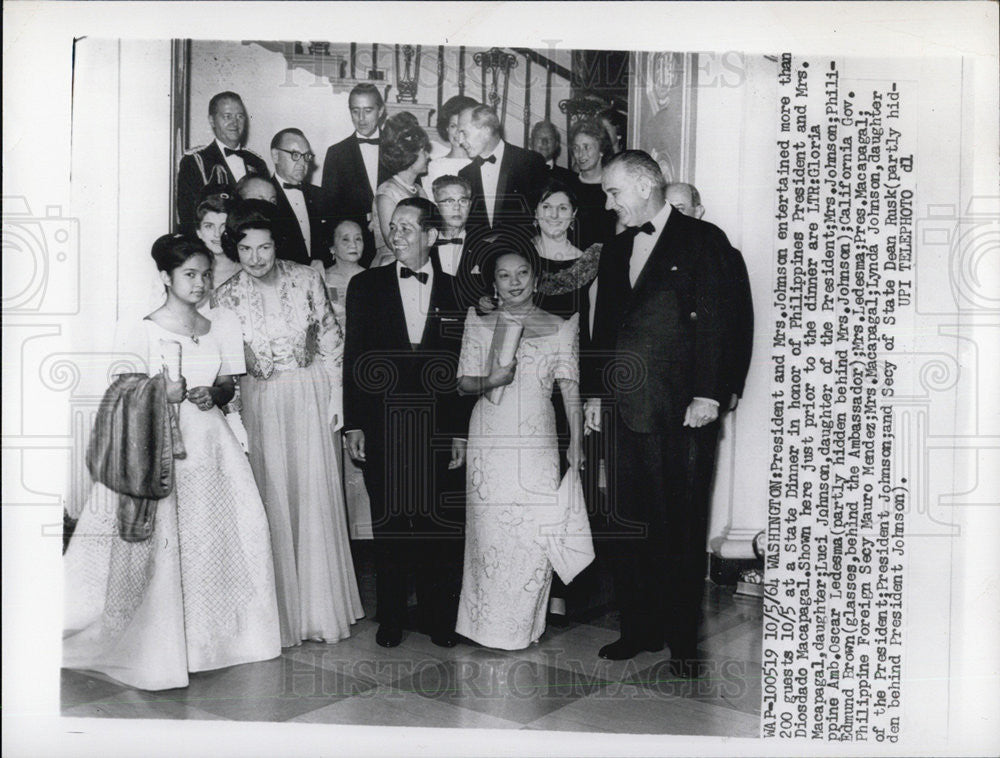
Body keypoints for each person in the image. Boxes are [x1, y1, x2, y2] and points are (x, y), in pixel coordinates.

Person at [63, 234, 281, 690]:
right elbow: (121, 393)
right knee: (163, 545)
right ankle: (160, 643)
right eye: (189, 275)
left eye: (205, 274)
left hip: (212, 446)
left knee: (222, 537)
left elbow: (227, 385)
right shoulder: (141, 328)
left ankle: (215, 641)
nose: (200, 283)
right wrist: (162, 391)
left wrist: (213, 393)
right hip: (158, 447)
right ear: (165, 277)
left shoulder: (220, 323)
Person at [584, 151, 731, 673]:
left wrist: (709, 394)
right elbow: (603, 330)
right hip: (623, 411)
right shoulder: (617, 247)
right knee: (629, 526)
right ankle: (638, 630)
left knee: (680, 527)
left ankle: (682, 640)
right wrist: (595, 397)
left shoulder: (703, 240)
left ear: (646, 186)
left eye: (613, 191)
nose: (608, 202)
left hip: (680, 413)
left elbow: (719, 322)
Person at [212, 202, 364, 648]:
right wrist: (237, 422)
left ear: (277, 243)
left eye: (264, 246)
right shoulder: (225, 297)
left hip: (312, 395)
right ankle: (281, 616)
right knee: (274, 498)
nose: (256, 258)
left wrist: (337, 396)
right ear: (234, 249)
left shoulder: (306, 278)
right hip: (261, 402)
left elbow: (333, 341)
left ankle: (320, 611)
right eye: (245, 249)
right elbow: (229, 368)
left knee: (314, 497)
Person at [343, 197, 469, 650]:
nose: (396, 235)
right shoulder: (365, 286)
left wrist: (459, 431)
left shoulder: (458, 291)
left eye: (407, 229)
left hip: (438, 426)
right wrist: (354, 424)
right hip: (382, 422)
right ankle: (391, 617)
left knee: (440, 525)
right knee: (390, 522)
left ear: (432, 236)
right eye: (392, 227)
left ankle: (439, 617)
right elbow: (354, 358)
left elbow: (461, 366)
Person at [455, 239, 583, 650]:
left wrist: (576, 443)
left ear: (536, 277)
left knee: (534, 534)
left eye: (522, 273)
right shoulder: (478, 321)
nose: (514, 282)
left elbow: (571, 392)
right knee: (490, 535)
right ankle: (485, 626)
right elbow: (461, 383)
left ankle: (522, 627)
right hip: (489, 439)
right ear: (493, 283)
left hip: (538, 443)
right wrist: (490, 381)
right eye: (504, 275)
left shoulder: (561, 327)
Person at [666, 181, 754, 410]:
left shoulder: (726, 255)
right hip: (664, 385)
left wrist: (734, 384)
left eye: (681, 208)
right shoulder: (653, 257)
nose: (675, 217)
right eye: (669, 209)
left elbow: (741, 322)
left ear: (699, 211)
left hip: (704, 383)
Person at [321, 219, 373, 541]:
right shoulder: (320, 280)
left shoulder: (373, 280)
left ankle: (363, 531)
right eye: (345, 239)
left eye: (358, 238)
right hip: (331, 371)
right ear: (332, 246)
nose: (353, 245)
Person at [321, 83, 389, 268]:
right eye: (355, 111)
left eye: (368, 110)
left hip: (393, 245)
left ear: (381, 110)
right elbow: (329, 210)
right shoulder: (336, 153)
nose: (361, 118)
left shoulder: (397, 149)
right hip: (353, 251)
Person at [176, 92, 268, 228]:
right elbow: (188, 219)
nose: (235, 123)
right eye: (227, 116)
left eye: (240, 116)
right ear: (212, 120)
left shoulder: (257, 162)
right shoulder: (195, 161)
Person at [457, 104, 548, 235]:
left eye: (464, 133)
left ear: (486, 130)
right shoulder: (465, 174)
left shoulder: (530, 162)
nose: (460, 141)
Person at [369, 112, 431, 268]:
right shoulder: (387, 193)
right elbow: (393, 241)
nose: (428, 156)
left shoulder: (419, 191)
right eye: (423, 151)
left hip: (418, 262)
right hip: (391, 267)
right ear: (410, 156)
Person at [269, 128, 329, 267]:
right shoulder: (265, 195)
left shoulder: (319, 195)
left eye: (306, 156)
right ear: (275, 156)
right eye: (295, 155)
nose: (302, 164)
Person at [568, 119, 619, 253]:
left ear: (601, 150)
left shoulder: (613, 190)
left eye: (587, 147)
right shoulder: (566, 186)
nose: (580, 154)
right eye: (576, 148)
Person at [422, 94, 478, 198]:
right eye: (453, 126)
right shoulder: (435, 166)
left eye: (463, 127)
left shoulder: (480, 163)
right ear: (446, 128)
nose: (458, 132)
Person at [192, 192, 242, 291]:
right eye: (209, 226)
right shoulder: (189, 272)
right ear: (199, 232)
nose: (217, 234)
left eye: (224, 226)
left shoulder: (249, 269)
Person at [530, 120, 575, 186]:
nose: (544, 142)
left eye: (550, 138)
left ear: (556, 145)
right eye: (540, 138)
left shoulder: (569, 178)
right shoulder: (519, 173)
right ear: (531, 142)